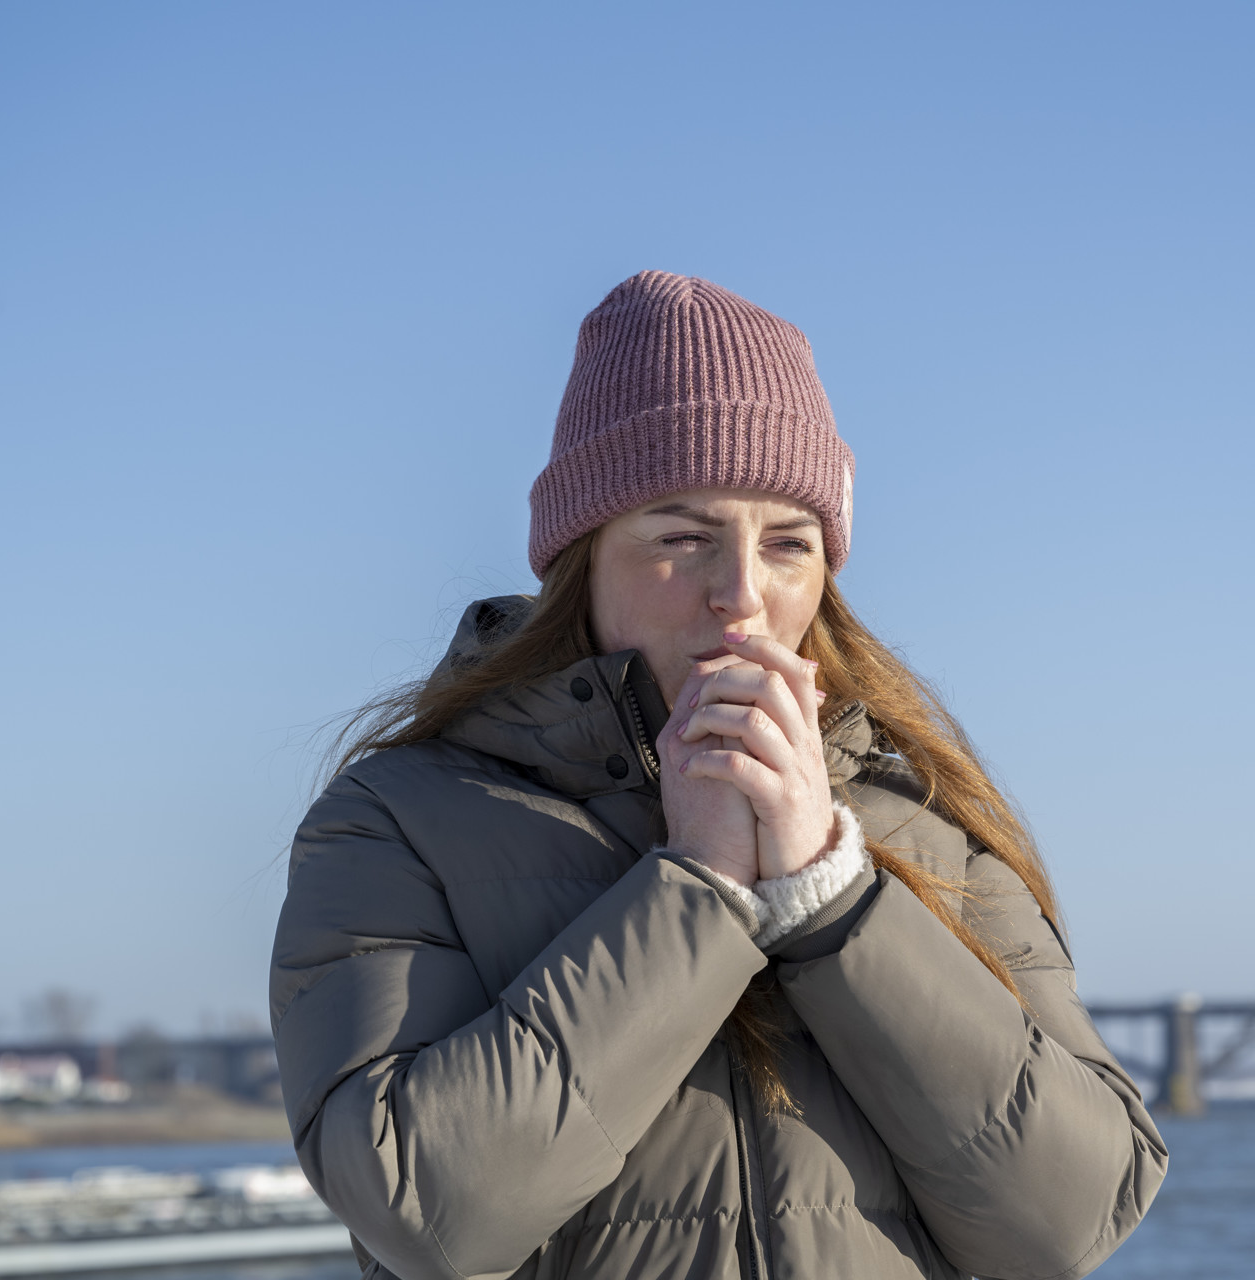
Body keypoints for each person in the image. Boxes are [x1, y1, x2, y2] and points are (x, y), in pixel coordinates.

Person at [270, 271, 1168, 1280]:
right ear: (583, 557)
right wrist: (700, 888)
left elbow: (1073, 1219)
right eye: (682, 537)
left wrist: (831, 895)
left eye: (788, 543)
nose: (740, 594)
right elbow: (431, 1214)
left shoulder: (925, 820)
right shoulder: (399, 819)